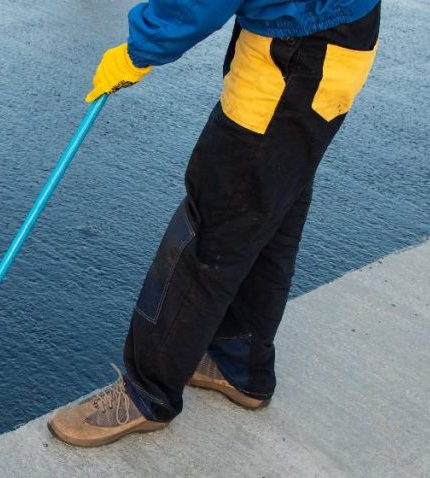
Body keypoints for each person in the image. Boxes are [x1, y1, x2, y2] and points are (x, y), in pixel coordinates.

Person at [49, 0, 381, 447]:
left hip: (294, 55)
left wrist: (141, 47)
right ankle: (239, 360)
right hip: (332, 41)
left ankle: (147, 394)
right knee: (270, 215)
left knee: (214, 228)